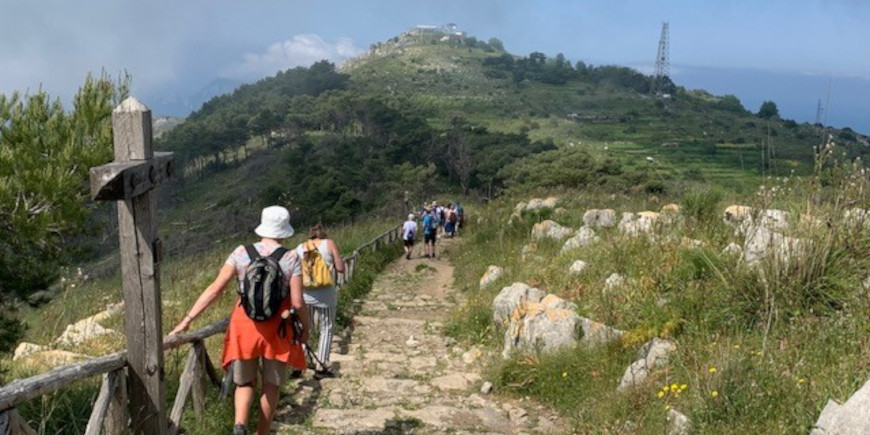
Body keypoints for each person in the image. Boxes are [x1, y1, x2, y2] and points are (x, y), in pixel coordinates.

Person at [170, 206, 308, 435]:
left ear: (262, 226)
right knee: (271, 386)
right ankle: (261, 432)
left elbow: (215, 288)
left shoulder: (241, 253)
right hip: (277, 330)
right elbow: (298, 303)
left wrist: (187, 320)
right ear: (284, 230)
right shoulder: (291, 257)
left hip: (244, 328)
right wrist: (305, 329)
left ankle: (240, 425)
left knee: (244, 383)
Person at [296, 223, 345, 379]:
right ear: (324, 234)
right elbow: (340, 268)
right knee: (326, 328)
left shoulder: (301, 247)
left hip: (305, 295)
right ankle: (321, 364)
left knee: (305, 328)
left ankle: (300, 363)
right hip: (325, 295)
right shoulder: (329, 244)